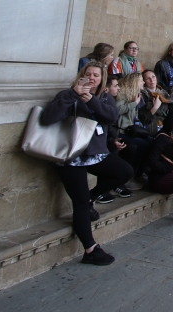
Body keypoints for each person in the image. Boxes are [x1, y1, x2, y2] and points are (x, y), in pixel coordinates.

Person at [42, 62, 132, 266]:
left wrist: (92, 100)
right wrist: (73, 95)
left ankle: (92, 197)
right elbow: (48, 118)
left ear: (102, 80)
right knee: (80, 203)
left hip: (96, 153)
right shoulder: (68, 95)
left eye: (96, 76)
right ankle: (90, 249)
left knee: (124, 172)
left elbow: (111, 117)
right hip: (71, 157)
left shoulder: (104, 97)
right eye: (88, 74)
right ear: (81, 76)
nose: (92, 78)